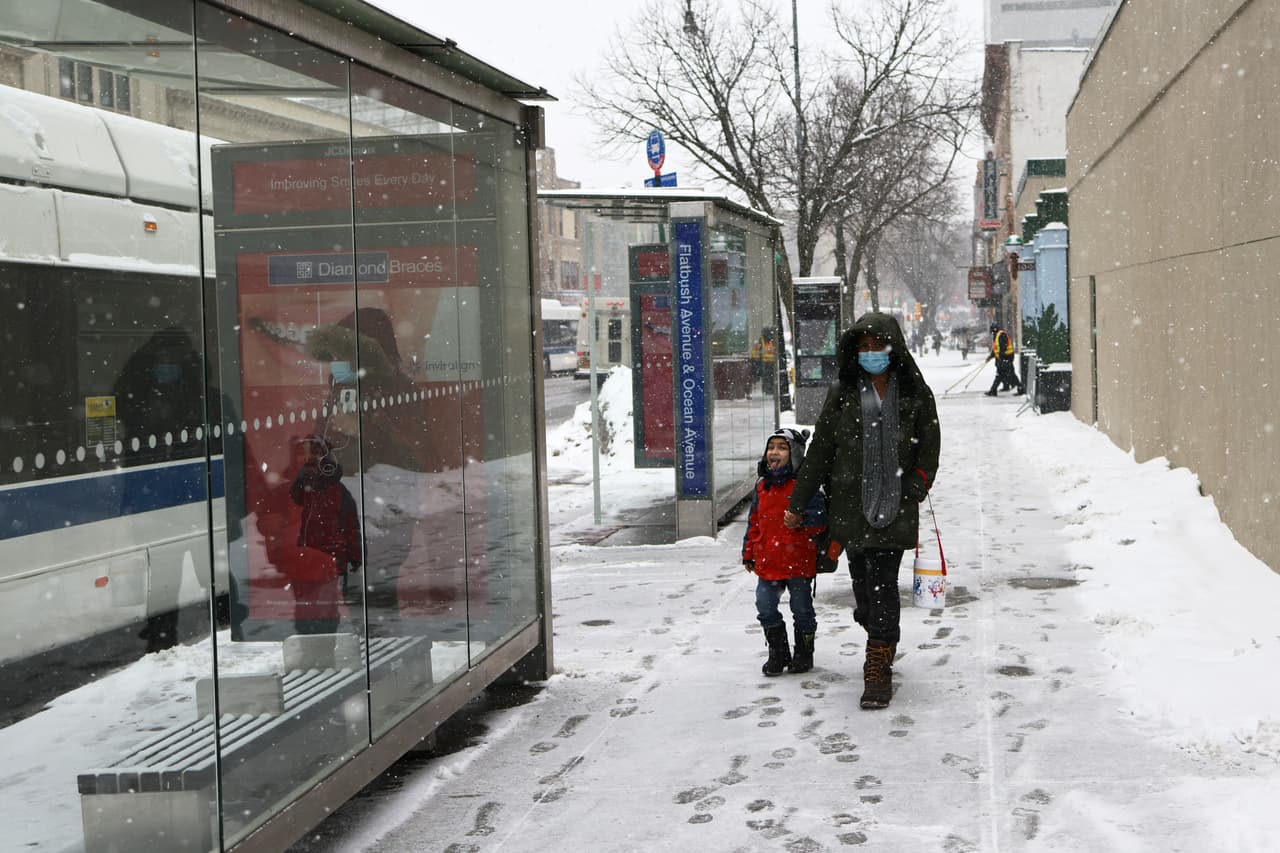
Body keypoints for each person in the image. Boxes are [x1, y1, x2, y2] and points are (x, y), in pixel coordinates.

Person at [784, 312, 940, 709]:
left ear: (893, 348)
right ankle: (881, 634)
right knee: (864, 594)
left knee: (883, 584)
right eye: (864, 346)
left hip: (896, 505)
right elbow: (820, 451)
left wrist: (917, 484)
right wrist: (797, 503)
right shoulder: (844, 392)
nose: (871, 353)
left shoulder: (914, 393)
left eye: (878, 345)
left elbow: (930, 447)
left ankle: (877, 669)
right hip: (851, 509)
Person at [742, 427, 828, 676]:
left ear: (795, 454)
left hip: (798, 560)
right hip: (768, 560)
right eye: (771, 447)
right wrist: (749, 552)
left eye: (782, 447)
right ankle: (778, 652)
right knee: (765, 606)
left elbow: (821, 521)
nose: (774, 452)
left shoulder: (805, 485)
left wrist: (802, 520)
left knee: (802, 609)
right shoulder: (761, 487)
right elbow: (754, 522)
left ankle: (804, 651)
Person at [984, 322, 1024, 396]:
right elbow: (996, 349)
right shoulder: (996, 336)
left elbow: (1003, 348)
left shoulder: (1001, 335)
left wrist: (1000, 358)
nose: (992, 333)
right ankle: (995, 390)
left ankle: (1019, 388)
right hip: (1003, 359)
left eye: (992, 331)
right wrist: (990, 357)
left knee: (1008, 374)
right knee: (1002, 375)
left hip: (1006, 358)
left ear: (994, 329)